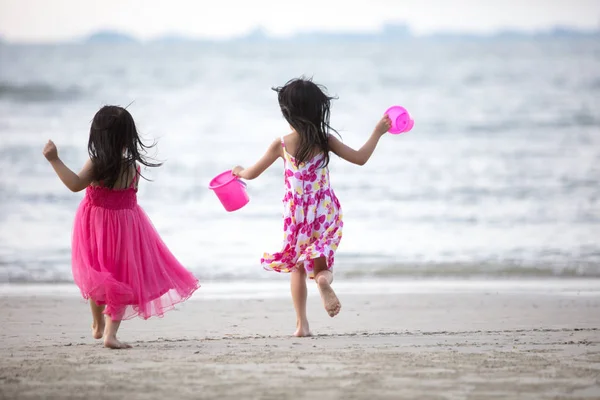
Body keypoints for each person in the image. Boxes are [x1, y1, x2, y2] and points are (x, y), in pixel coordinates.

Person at [232, 78, 391, 336]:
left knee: (296, 267)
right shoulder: (324, 140)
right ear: (317, 110)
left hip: (296, 218)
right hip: (324, 213)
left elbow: (252, 173)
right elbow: (360, 158)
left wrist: (238, 171)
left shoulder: (281, 145)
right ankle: (322, 281)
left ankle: (301, 325)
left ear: (288, 113)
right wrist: (378, 131)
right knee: (321, 266)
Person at [42, 105, 200, 349]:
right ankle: (109, 334)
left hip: (96, 225)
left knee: (97, 274)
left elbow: (74, 184)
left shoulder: (97, 164)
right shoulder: (132, 167)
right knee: (120, 275)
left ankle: (97, 325)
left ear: (98, 136)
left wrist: (54, 160)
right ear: (128, 137)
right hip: (127, 226)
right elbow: (130, 196)